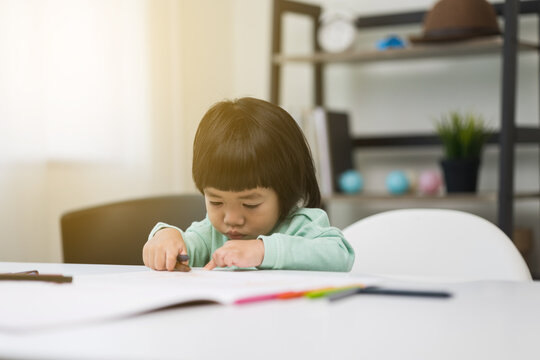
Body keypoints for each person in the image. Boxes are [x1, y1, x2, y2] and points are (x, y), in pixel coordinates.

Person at [142, 97, 354, 272]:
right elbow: (184, 247)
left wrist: (262, 251)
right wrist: (165, 237)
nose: (232, 219)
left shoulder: (302, 226)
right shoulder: (210, 233)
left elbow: (340, 255)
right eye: (216, 202)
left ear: (285, 192)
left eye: (250, 204)